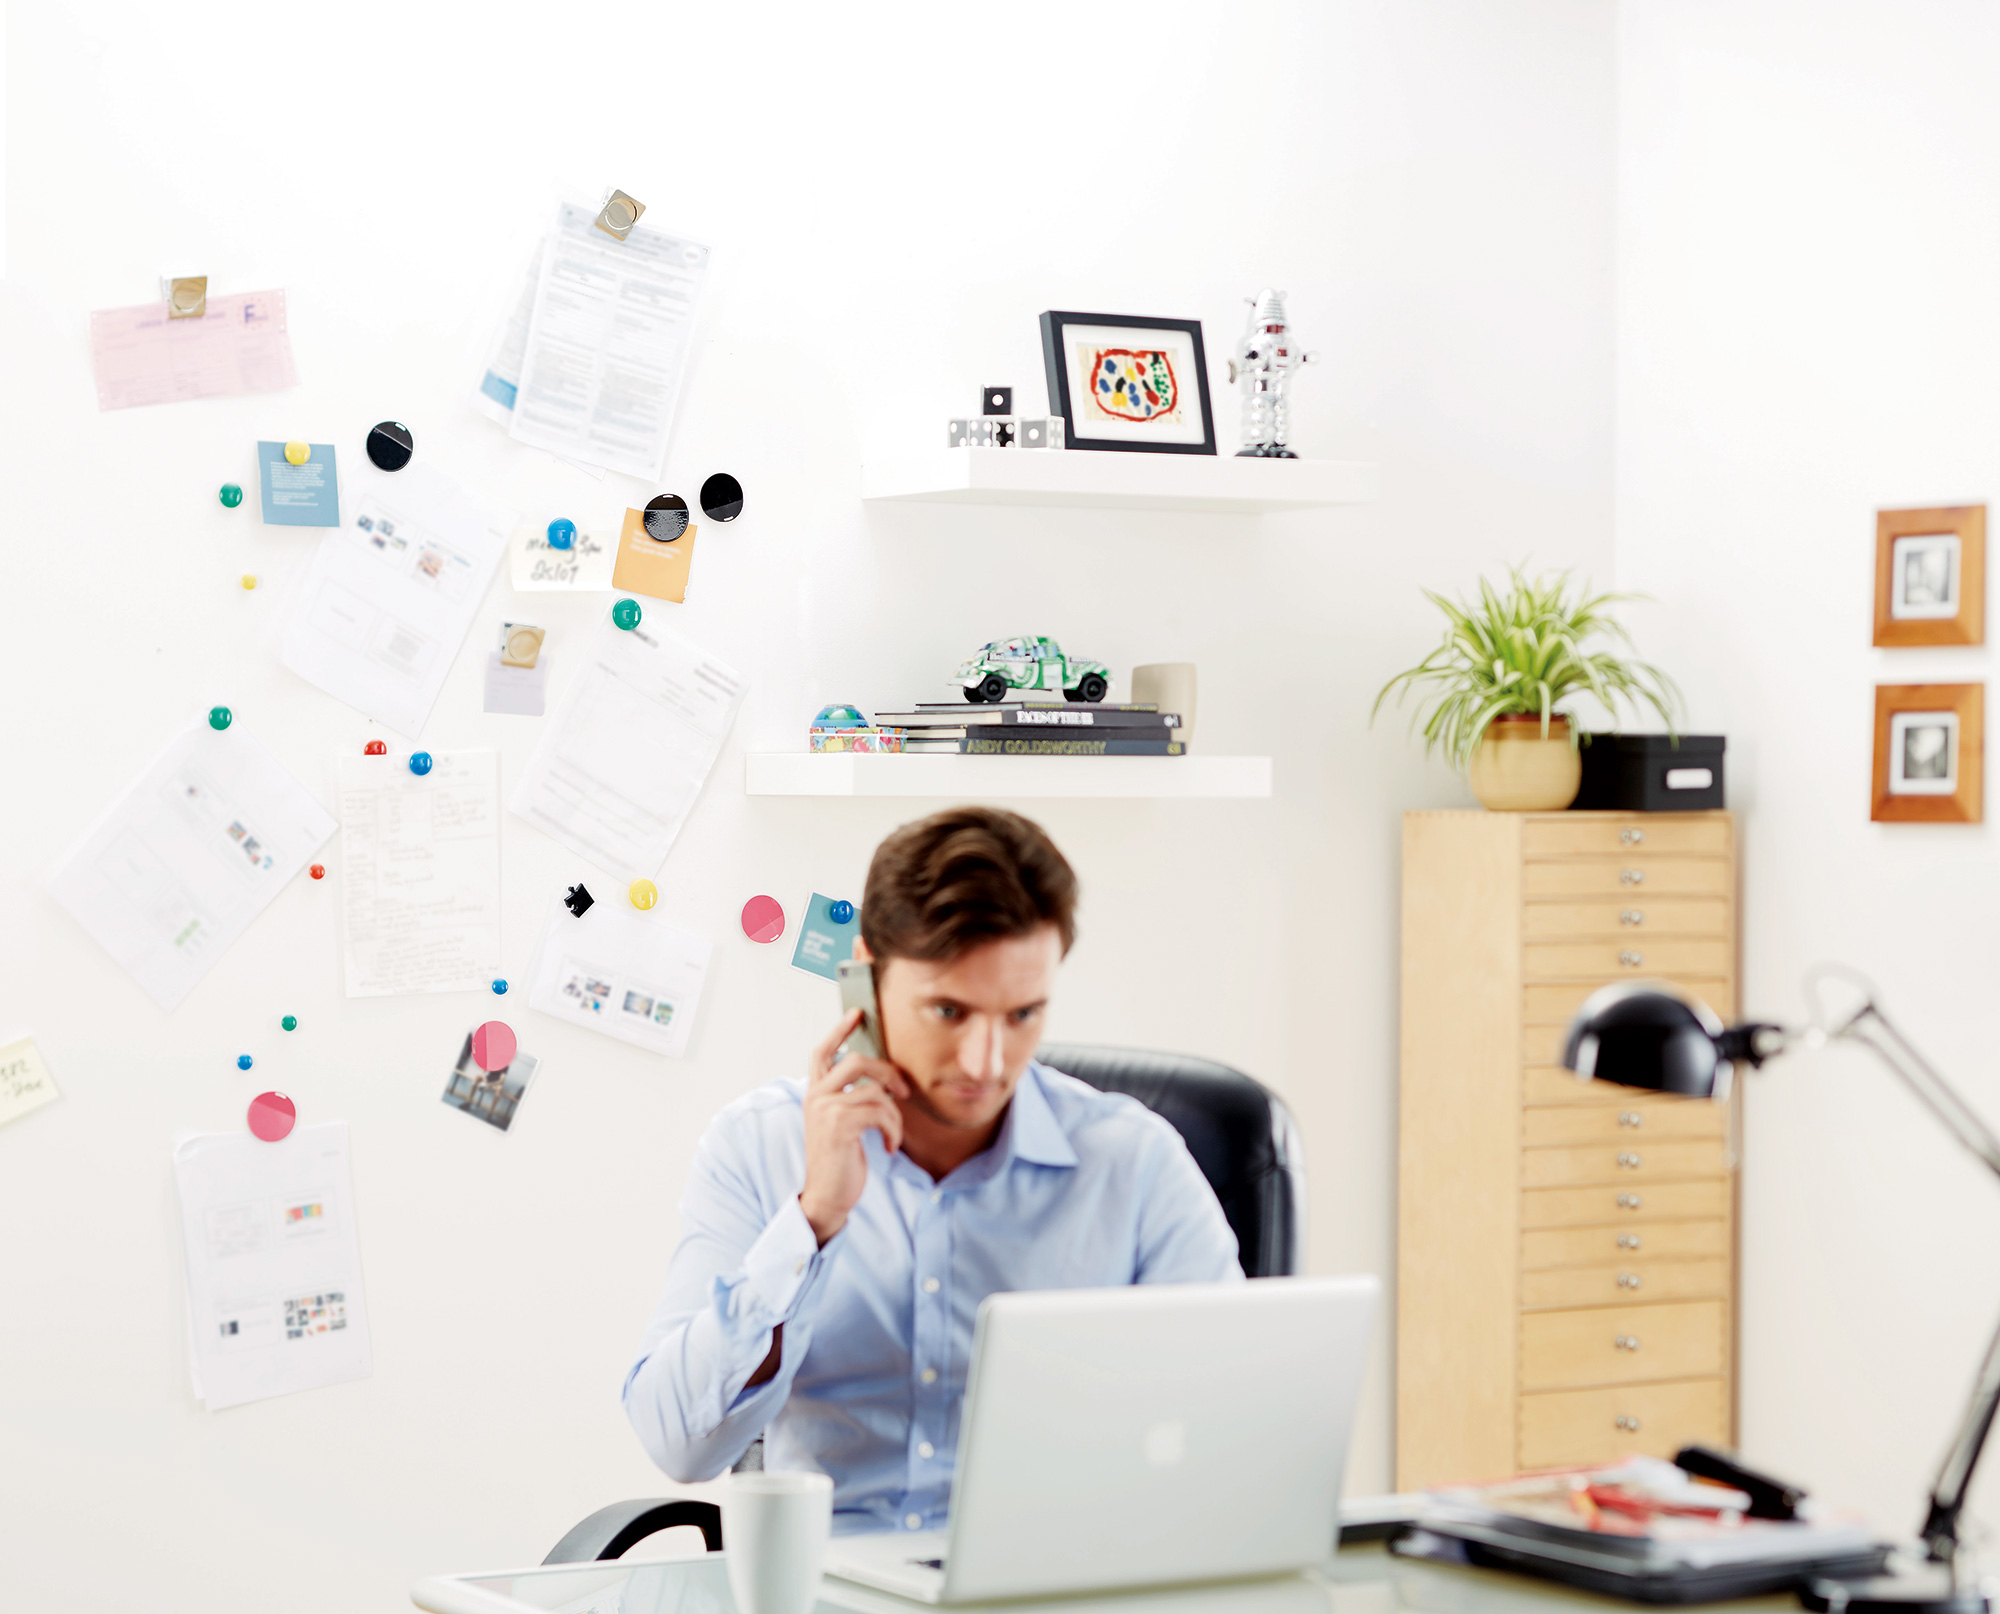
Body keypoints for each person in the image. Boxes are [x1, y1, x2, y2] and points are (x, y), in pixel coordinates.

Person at [623, 806, 1242, 1534]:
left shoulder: (1134, 1164)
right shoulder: (757, 1148)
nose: (987, 1062)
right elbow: (676, 1445)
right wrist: (811, 1221)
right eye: (950, 1011)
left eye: (1022, 1016)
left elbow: (1234, 1428)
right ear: (863, 979)